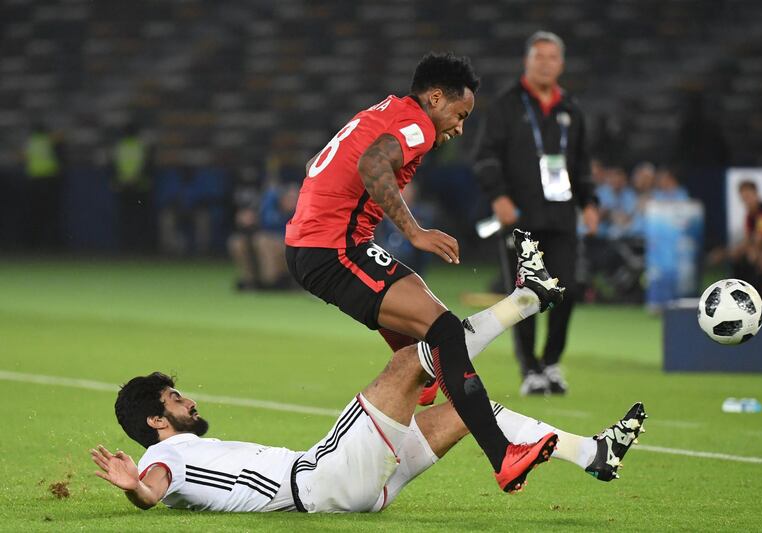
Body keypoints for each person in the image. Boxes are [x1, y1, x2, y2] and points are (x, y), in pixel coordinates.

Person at [90, 286, 647, 513]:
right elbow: (152, 491)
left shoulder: (179, 451)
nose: (187, 400)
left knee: (467, 411)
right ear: (156, 420)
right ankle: (526, 300)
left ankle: (593, 455)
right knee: (412, 359)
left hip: (350, 488)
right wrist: (135, 486)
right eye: (174, 397)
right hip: (319, 480)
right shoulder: (164, 457)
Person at [285, 51, 565, 492]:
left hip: (326, 244)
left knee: (432, 332)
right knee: (447, 333)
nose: (459, 127)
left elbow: (317, 164)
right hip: (333, 250)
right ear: (435, 98)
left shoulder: (381, 112)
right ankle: (502, 454)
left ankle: (427, 376)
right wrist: (413, 232)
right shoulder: (413, 122)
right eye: (459, 114)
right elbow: (372, 164)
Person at [473, 31, 599, 396]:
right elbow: (484, 157)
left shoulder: (571, 110)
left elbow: (582, 164)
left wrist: (590, 203)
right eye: (538, 57)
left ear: (561, 64)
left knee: (568, 290)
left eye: (552, 58)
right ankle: (530, 370)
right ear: (526, 61)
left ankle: (552, 363)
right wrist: (498, 196)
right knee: (525, 295)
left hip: (561, 216)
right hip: (520, 218)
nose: (545, 63)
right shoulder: (507, 106)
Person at [112, 122, 155, 252]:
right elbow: (148, 165)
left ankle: (127, 246)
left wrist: (121, 181)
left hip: (125, 187)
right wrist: (135, 179)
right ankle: (140, 246)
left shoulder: (119, 146)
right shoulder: (142, 146)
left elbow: (114, 167)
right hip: (140, 187)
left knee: (126, 218)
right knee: (139, 218)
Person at [23, 122, 65, 249]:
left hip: (34, 181)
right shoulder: (48, 140)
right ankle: (52, 244)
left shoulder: (30, 142)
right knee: (51, 214)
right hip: (49, 180)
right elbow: (61, 136)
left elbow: (22, 157)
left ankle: (34, 244)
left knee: (36, 214)